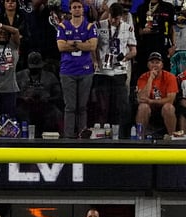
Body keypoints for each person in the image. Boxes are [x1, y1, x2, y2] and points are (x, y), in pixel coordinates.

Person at [91, 3, 136, 134]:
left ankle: (121, 133)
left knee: (121, 104)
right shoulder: (99, 26)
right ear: (109, 14)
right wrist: (95, 60)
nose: (113, 21)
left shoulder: (128, 29)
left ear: (121, 17)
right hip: (102, 71)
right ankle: (99, 131)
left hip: (119, 71)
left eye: (116, 19)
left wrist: (126, 57)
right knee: (101, 104)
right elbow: (93, 46)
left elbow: (134, 50)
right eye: (111, 17)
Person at [56, 0, 98, 138]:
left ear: (83, 9)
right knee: (70, 106)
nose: (77, 9)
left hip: (85, 70)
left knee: (82, 106)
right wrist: (81, 43)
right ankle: (68, 137)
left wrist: (72, 43)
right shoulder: (63, 26)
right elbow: (61, 47)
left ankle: (82, 134)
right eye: (74, 7)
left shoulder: (89, 26)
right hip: (68, 70)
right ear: (70, 10)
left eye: (79, 7)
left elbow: (92, 46)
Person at [15, 51, 63, 137]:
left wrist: (48, 99)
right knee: (20, 113)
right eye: (33, 68)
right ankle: (24, 137)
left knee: (56, 114)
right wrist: (23, 98)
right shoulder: (19, 76)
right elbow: (14, 95)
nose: (35, 70)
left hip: (46, 105)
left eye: (37, 68)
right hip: (25, 106)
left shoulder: (50, 76)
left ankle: (50, 138)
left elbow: (59, 95)